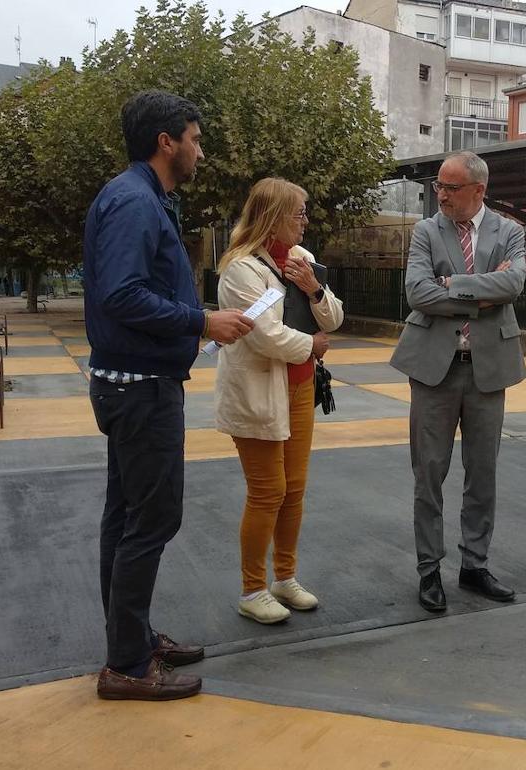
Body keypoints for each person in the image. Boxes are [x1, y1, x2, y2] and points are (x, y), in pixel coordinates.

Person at [84, 90, 254, 701]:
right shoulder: (134, 202)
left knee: (126, 519)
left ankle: (129, 641)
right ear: (167, 142)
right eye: (196, 139)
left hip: (133, 386)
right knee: (151, 520)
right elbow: (123, 295)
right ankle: (127, 665)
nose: (200, 151)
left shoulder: (138, 196)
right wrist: (201, 322)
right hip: (140, 391)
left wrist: (196, 319)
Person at [389, 151, 526, 612]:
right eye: (439, 186)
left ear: (478, 190)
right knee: (429, 474)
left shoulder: (510, 231)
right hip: (434, 370)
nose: (439, 195)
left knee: (482, 474)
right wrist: (480, 295)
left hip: (488, 370)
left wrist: (453, 286)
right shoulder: (427, 231)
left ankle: (474, 565)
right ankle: (429, 570)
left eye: (450, 187)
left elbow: (513, 287)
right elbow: (418, 293)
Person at [214, 178, 343, 625]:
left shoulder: (301, 260)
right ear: (273, 216)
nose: (305, 221)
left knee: (294, 491)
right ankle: (252, 588)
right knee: (268, 491)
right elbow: (265, 335)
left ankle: (285, 578)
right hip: (259, 393)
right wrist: (312, 345)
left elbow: (335, 317)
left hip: (300, 389)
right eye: (299, 213)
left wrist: (315, 290)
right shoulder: (241, 269)